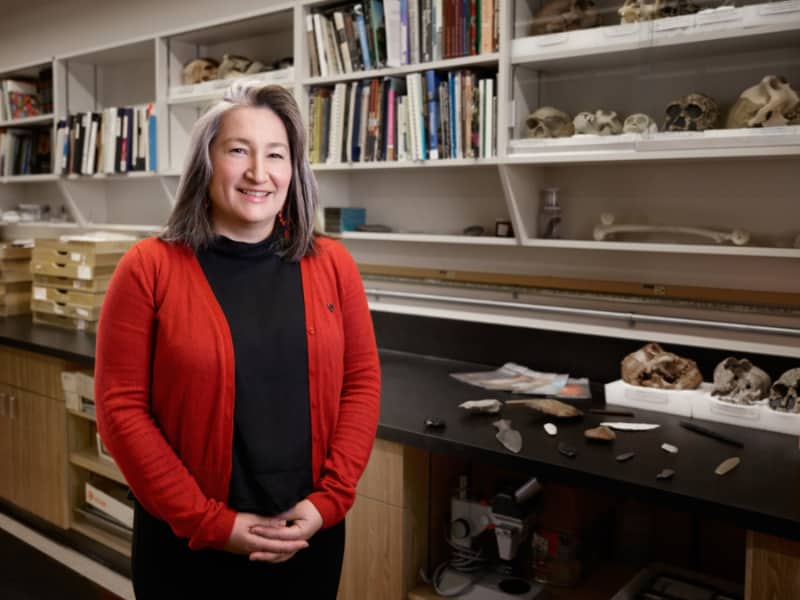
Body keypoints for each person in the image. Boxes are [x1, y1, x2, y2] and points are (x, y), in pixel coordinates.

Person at [94, 81, 381, 598]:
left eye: (276, 154)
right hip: (189, 547)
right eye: (238, 151)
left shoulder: (332, 264)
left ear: (293, 171)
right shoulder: (148, 268)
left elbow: (360, 384)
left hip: (305, 539)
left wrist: (328, 503)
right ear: (206, 165)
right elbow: (122, 410)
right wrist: (209, 521)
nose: (258, 173)